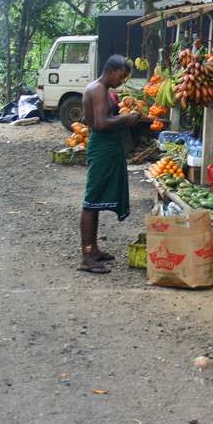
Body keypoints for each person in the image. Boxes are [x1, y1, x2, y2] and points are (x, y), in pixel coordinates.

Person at [77, 55, 139, 273]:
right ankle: (86, 256)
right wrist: (125, 118)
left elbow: (90, 120)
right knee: (91, 201)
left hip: (105, 147)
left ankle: (93, 250)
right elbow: (101, 123)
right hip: (102, 148)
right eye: (121, 76)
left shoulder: (100, 90)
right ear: (110, 70)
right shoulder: (97, 89)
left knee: (96, 201)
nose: (121, 81)